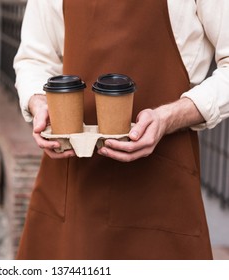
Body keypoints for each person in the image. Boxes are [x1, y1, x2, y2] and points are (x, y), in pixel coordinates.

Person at [13, 0, 229, 260]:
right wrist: (38, 102)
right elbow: (34, 58)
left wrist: (167, 117)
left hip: (161, 184)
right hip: (74, 183)